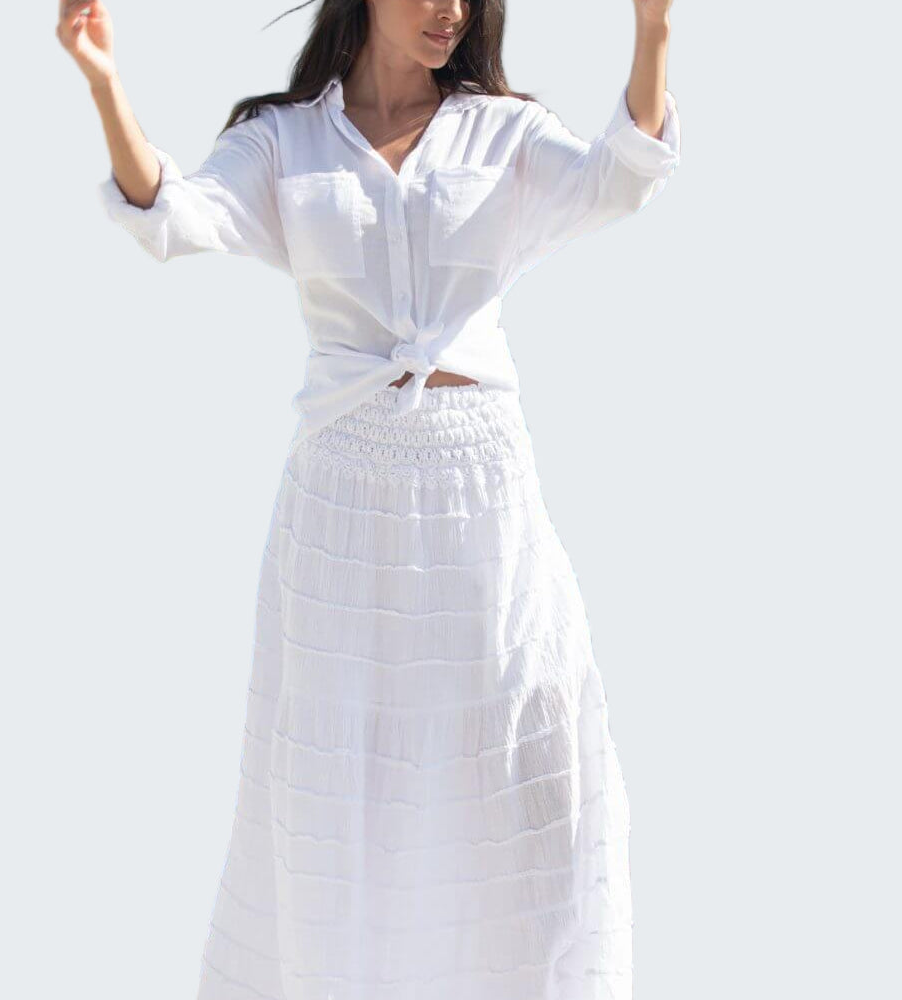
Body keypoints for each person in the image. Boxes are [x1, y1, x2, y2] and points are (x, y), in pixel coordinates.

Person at [57, 0, 681, 996]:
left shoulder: (502, 130)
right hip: (342, 503)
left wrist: (650, 31)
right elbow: (173, 217)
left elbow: (619, 178)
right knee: (339, 785)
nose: (451, 12)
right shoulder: (285, 140)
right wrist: (102, 83)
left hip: (482, 490)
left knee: (524, 765)